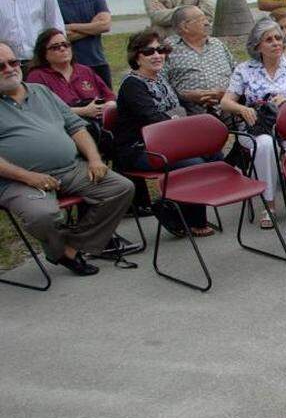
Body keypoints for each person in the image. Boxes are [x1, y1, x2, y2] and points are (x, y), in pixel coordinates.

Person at [0, 41, 133, 276]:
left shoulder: (41, 91)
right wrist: (29, 177)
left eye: (13, 62)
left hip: (69, 168)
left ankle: (68, 248)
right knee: (43, 216)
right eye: (0, 66)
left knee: (120, 188)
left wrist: (94, 159)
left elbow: (75, 127)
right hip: (17, 179)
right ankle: (61, 248)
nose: (9, 69)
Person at [220, 17, 286, 228]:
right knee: (265, 145)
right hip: (259, 125)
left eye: (278, 38)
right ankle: (269, 202)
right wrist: (243, 108)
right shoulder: (245, 69)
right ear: (258, 45)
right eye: (269, 40)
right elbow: (225, 102)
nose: (276, 42)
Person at [113, 31, 217, 238]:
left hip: (171, 142)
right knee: (194, 164)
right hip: (139, 149)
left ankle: (175, 207)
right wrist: (182, 126)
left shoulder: (161, 79)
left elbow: (181, 105)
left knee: (214, 155)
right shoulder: (132, 85)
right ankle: (188, 217)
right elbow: (153, 118)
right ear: (136, 56)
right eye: (149, 51)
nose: (157, 55)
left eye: (160, 50)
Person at [26, 29, 115, 120]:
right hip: (63, 126)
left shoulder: (85, 70)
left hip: (98, 122)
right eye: (55, 47)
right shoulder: (37, 77)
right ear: (44, 53)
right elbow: (41, 110)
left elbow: (109, 96)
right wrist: (83, 111)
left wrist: (107, 106)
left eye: (66, 45)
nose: (62, 49)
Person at [164, 5, 235, 116]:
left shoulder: (217, 44)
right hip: (190, 115)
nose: (207, 23)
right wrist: (185, 97)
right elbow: (160, 84)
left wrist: (227, 94)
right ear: (185, 27)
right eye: (202, 20)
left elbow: (237, 74)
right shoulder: (168, 49)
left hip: (228, 109)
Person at [54, 0, 113, 87]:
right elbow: (61, 37)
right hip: (71, 65)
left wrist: (71, 26)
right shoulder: (55, 2)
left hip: (98, 62)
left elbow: (105, 25)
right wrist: (93, 28)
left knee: (108, 104)